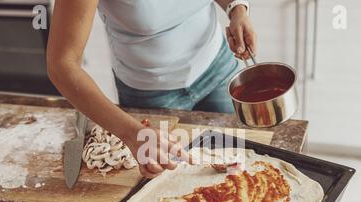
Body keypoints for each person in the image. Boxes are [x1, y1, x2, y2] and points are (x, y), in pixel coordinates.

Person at [47, 0, 257, 178]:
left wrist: (236, 8)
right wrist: (131, 134)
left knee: (242, 165)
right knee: (172, 183)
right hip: (150, 93)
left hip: (217, 66)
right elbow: (62, 65)